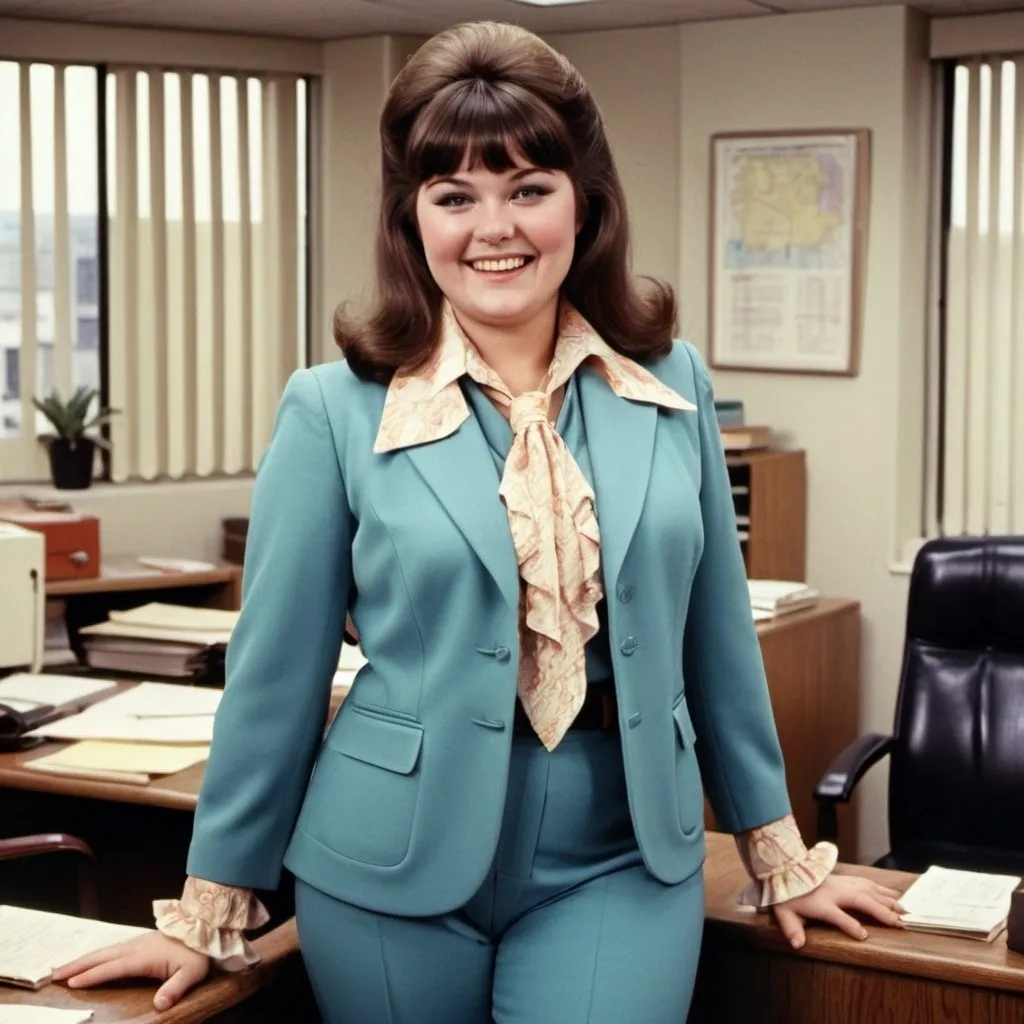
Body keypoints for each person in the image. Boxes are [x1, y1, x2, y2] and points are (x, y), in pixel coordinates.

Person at [53, 21, 903, 1023]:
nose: (492, 227)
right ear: (412, 218)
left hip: (621, 851)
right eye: (454, 196)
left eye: (528, 188)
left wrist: (777, 851)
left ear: (584, 202)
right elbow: (276, 675)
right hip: (382, 854)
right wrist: (205, 909)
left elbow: (712, 637)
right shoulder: (334, 408)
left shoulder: (667, 383)